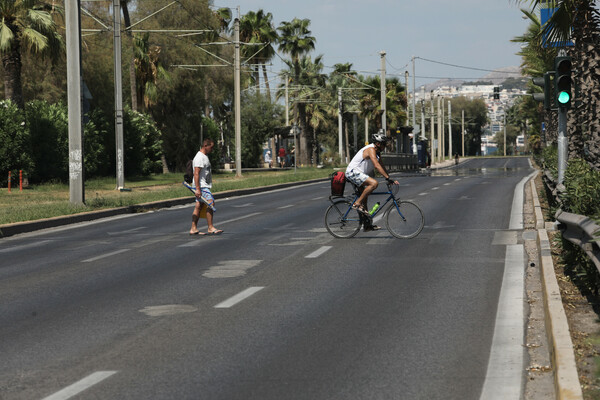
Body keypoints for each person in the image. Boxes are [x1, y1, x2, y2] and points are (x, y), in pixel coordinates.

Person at [345, 130, 399, 231]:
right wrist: (386, 178)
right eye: (384, 144)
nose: (385, 146)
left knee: (365, 199)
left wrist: (389, 177)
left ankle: (367, 225)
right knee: (374, 183)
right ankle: (356, 204)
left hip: (358, 174)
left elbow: (381, 165)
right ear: (378, 144)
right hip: (352, 172)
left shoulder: (378, 152)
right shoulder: (371, 149)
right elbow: (376, 165)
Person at [189, 138, 223, 235]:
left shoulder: (204, 156)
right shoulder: (199, 157)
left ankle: (193, 228)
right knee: (210, 203)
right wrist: (198, 189)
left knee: (198, 206)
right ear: (205, 146)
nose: (212, 150)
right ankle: (210, 227)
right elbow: (196, 173)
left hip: (202, 186)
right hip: (202, 186)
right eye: (211, 147)